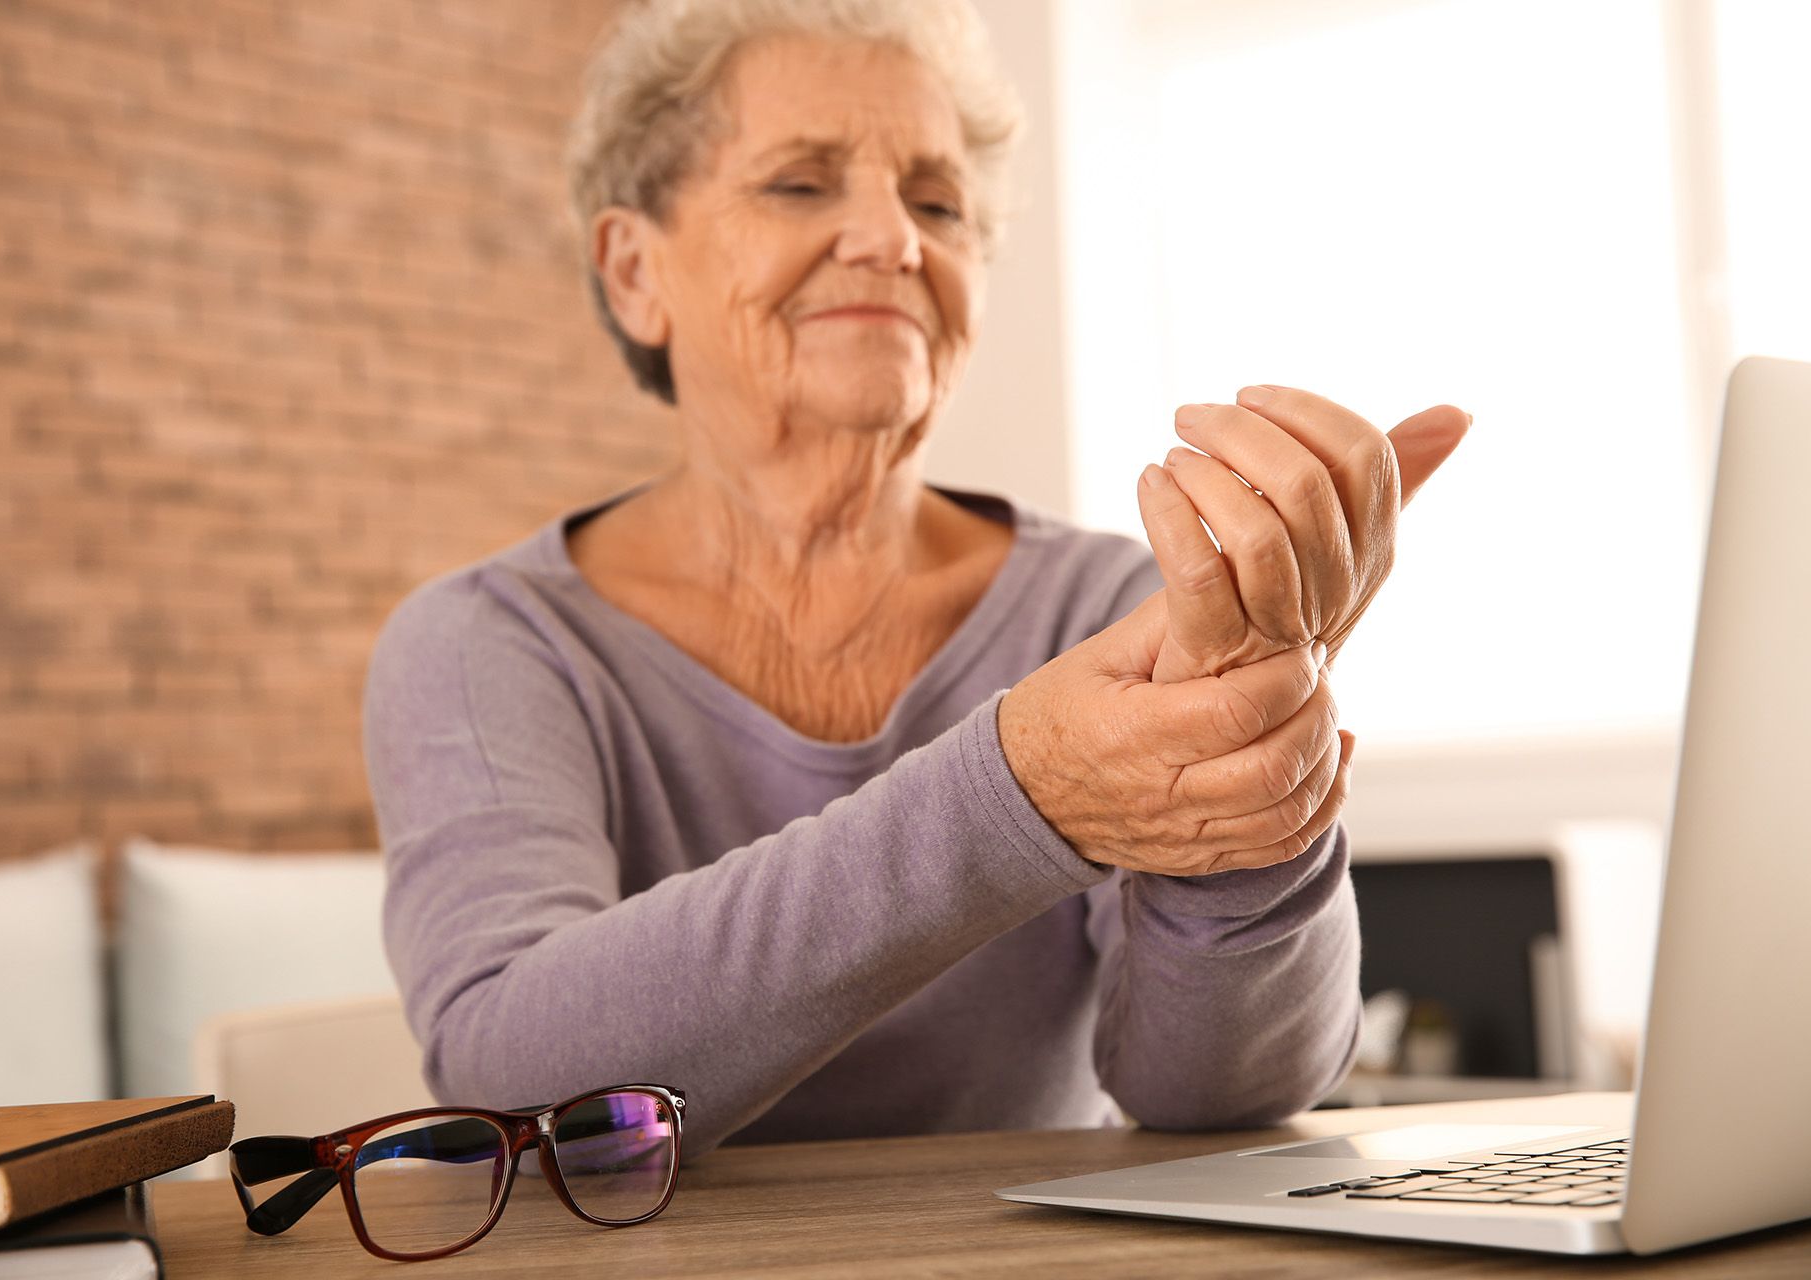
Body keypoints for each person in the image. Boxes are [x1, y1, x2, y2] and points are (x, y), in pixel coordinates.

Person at [363, 0, 1468, 1160]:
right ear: (637, 271)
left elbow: (1217, 1095)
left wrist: (1251, 757)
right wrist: (1022, 791)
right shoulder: (487, 639)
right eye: (800, 183)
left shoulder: (1104, 608)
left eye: (938, 203)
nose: (895, 241)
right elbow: (520, 1088)